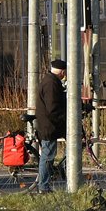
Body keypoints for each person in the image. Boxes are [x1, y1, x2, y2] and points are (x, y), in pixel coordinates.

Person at [34, 58, 66, 193]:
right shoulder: (51, 84)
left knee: (48, 154)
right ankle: (43, 186)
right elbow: (53, 107)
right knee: (47, 156)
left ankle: (47, 181)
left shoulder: (50, 80)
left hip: (48, 124)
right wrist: (64, 119)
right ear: (62, 72)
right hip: (49, 126)